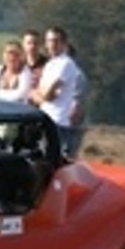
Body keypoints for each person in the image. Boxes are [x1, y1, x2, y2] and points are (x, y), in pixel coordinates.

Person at [29, 26, 83, 155]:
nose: (52, 44)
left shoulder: (66, 64)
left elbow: (47, 93)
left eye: (55, 41)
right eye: (49, 41)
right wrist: (42, 94)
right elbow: (36, 93)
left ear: (64, 43)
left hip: (59, 122)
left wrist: (42, 94)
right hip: (45, 119)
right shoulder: (49, 65)